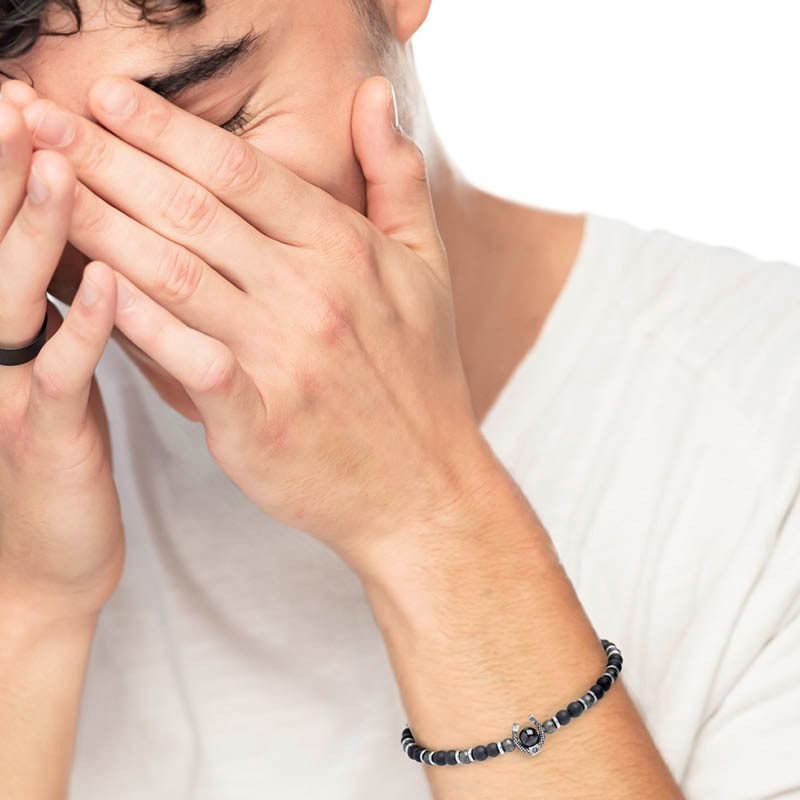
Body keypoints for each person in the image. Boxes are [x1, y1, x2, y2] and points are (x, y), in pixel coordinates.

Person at [0, 0, 797, 797]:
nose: (126, 248)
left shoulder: (764, 421)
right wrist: (28, 610)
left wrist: (430, 515)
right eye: (33, 173)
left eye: (207, 120)